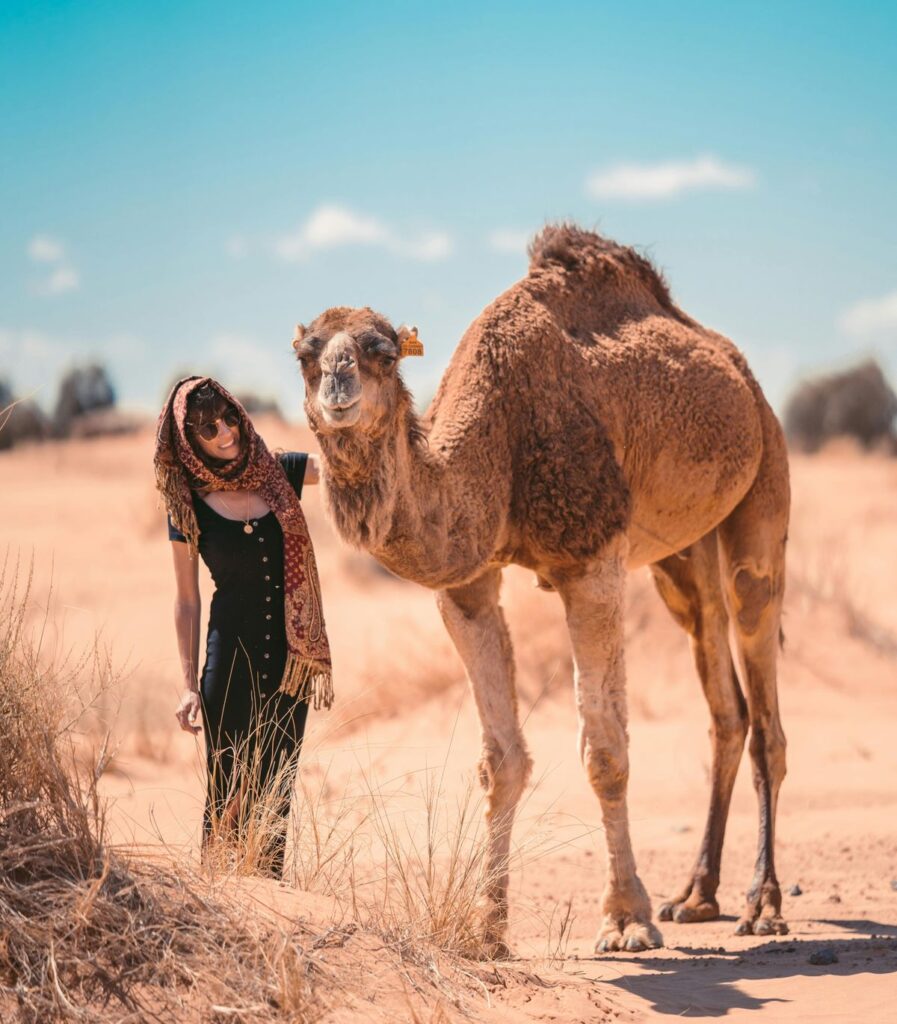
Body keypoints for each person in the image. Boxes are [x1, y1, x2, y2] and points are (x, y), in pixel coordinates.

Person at [154, 376, 332, 878]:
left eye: (228, 417)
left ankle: (269, 898)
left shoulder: (280, 471)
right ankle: (218, 901)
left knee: (276, 792)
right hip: (229, 664)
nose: (226, 432)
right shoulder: (185, 502)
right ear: (189, 439)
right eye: (208, 428)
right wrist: (188, 685)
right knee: (227, 790)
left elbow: (341, 466)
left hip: (290, 664)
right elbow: (186, 600)